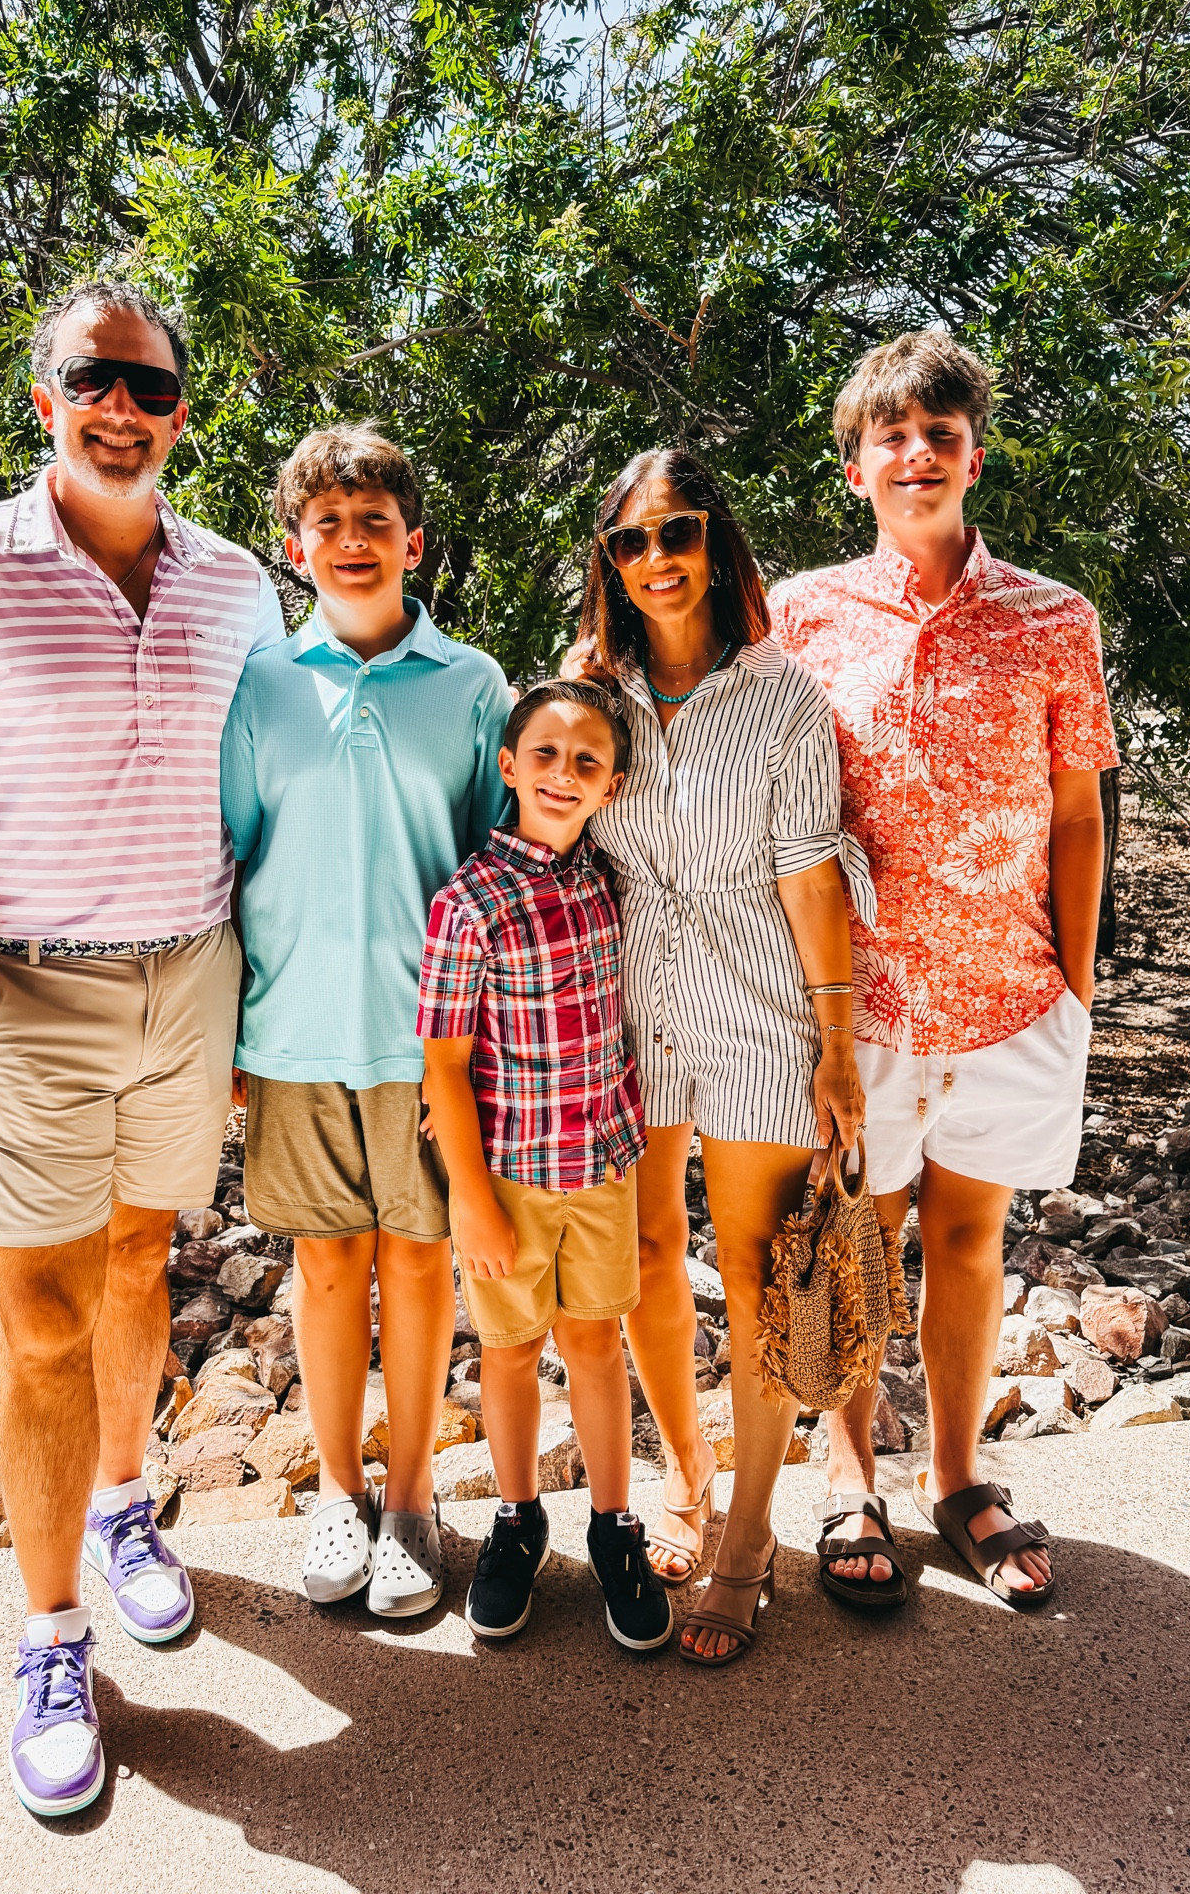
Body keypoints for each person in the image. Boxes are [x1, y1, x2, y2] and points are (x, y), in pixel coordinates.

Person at [0, 279, 283, 1815]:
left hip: (192, 979)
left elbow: (264, 791)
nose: (124, 408)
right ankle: (48, 1638)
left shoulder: (239, 582)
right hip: (24, 994)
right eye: (94, 380)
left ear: (180, 412)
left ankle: (122, 1503)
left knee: (139, 1266)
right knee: (37, 1322)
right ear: (47, 398)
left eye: (151, 388)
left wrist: (258, 994)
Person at [770, 329, 1119, 1610]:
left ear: (975, 452)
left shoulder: (1051, 617)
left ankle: (961, 1476)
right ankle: (850, 1470)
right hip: (857, 997)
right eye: (890, 436)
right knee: (856, 1240)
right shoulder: (801, 613)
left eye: (940, 432)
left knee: (973, 1239)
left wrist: (1074, 977)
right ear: (855, 463)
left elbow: (1078, 812)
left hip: (1012, 992)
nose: (916, 453)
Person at [565, 447, 870, 1665]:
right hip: (631, 1007)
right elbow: (546, 810)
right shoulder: (595, 696)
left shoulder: (785, 695)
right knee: (640, 1258)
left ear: (716, 541)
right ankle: (686, 1481)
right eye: (630, 542)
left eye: (676, 532)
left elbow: (810, 871)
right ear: (610, 560)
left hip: (758, 1010)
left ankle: (747, 1535)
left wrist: (838, 1045)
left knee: (754, 1275)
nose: (656, 560)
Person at [221, 422, 511, 1620]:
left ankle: (410, 1500)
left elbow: (499, 857)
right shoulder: (263, 684)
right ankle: (336, 1488)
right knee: (327, 1261)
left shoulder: (472, 684)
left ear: (413, 542)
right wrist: (230, 1032)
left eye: (373, 522)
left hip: (432, 1044)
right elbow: (233, 855)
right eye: (328, 523)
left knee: (421, 1259)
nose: (351, 541)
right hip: (291, 1034)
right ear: (297, 546)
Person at [418, 680, 671, 1651]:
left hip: (603, 1164)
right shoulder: (470, 902)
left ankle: (614, 1526)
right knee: (514, 1350)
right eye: (548, 755)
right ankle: (517, 1520)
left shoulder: (606, 877)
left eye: (588, 760)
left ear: (611, 784)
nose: (565, 773)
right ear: (509, 767)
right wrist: (471, 1201)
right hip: (510, 1180)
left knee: (598, 1341)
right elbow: (442, 1062)